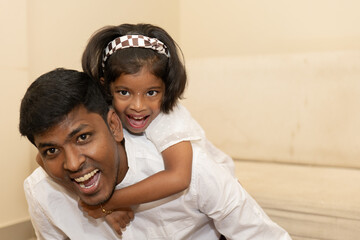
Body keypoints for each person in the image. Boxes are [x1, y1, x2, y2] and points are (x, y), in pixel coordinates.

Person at [20, 68, 291, 239]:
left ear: (114, 125)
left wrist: (104, 204)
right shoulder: (43, 193)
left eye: (83, 137)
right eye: (52, 150)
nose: (73, 163)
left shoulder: (190, 166)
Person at [80, 23, 235, 220]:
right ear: (106, 87)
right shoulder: (106, 110)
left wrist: (106, 203)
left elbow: (178, 177)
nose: (138, 105)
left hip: (216, 195)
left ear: (166, 89)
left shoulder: (169, 117)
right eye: (124, 92)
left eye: (151, 93)